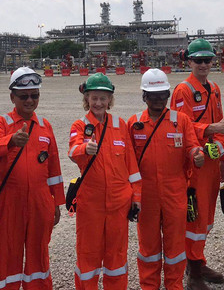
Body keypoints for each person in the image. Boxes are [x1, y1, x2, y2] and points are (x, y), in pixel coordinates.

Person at [0, 67, 65, 289]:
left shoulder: (45, 126)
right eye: (24, 96)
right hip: (11, 199)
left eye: (34, 95)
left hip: (41, 201)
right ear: (12, 97)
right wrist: (10, 141)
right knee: (7, 253)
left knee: (39, 253)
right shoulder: (1, 123)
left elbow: (54, 168)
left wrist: (56, 203)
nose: (30, 100)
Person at [128, 68, 205, 290]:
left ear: (168, 95)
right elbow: (128, 161)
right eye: (153, 95)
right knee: (148, 247)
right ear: (144, 97)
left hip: (175, 193)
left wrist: (197, 155)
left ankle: (174, 285)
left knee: (175, 245)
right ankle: (149, 285)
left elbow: (191, 146)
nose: (158, 100)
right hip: (147, 196)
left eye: (162, 95)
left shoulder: (180, 120)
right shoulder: (134, 124)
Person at [170, 38, 224, 290]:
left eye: (208, 60)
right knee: (194, 218)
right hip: (193, 163)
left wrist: (220, 160)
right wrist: (210, 128)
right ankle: (193, 273)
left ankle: (196, 261)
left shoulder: (215, 88)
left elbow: (220, 125)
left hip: (210, 163)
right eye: (198, 60)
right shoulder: (183, 91)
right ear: (189, 61)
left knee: (206, 218)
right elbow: (179, 127)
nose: (204, 64)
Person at [69, 72, 142, 290]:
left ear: (110, 99)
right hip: (91, 204)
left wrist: (136, 196)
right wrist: (85, 148)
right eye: (94, 98)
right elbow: (73, 150)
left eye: (103, 98)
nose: (99, 102)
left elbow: (132, 167)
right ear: (87, 99)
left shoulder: (120, 125)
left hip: (120, 203)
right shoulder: (80, 125)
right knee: (88, 255)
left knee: (117, 257)